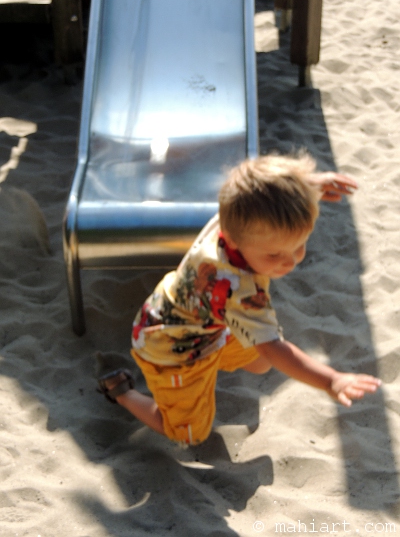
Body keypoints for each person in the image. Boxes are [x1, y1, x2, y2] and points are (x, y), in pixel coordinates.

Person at [96, 152, 381, 446]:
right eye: (274, 254)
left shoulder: (233, 219)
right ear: (233, 240)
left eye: (299, 246)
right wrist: (331, 380)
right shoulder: (243, 292)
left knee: (258, 364)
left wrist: (306, 187)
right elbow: (275, 350)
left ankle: (208, 368)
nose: (290, 262)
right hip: (171, 351)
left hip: (196, 318)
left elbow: (259, 194)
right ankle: (123, 393)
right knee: (189, 433)